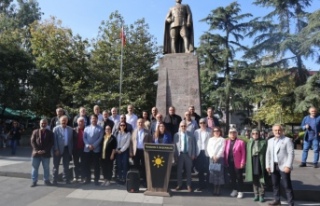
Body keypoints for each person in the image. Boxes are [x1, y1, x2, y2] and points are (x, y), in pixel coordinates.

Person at [266, 124, 294, 206]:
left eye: (279, 130)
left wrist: (288, 166)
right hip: (273, 166)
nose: (277, 132)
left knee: (287, 185)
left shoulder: (287, 140)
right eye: (275, 130)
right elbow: (268, 154)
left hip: (284, 166)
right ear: (273, 131)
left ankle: (290, 203)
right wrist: (267, 165)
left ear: (282, 131)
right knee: (275, 185)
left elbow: (291, 153)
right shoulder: (270, 141)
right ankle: (277, 200)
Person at [245, 129, 267, 202]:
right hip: (252, 161)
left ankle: (262, 195)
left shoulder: (264, 142)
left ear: (259, 134)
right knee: (254, 179)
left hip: (261, 161)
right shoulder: (249, 142)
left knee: (261, 178)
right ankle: (256, 194)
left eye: (256, 133)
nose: (255, 135)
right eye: (253, 133)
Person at [30, 119, 54, 187]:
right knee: (35, 168)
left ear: (47, 124)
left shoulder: (50, 133)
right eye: (42, 123)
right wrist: (37, 150)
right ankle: (34, 181)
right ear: (39, 124)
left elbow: (51, 143)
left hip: (46, 154)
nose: (43, 124)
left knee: (46, 168)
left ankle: (46, 180)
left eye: (45, 123)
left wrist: (45, 150)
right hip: (36, 153)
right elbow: (32, 142)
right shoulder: (35, 132)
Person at [174, 120, 196, 192]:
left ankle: (188, 185)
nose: (183, 127)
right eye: (182, 126)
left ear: (186, 127)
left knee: (189, 171)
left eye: (184, 126)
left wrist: (193, 154)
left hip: (188, 155)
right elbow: (174, 146)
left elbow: (193, 145)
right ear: (179, 127)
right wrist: (175, 156)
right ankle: (179, 184)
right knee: (179, 171)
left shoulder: (191, 134)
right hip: (180, 154)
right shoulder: (176, 135)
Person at [224, 128, 246, 199]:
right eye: (231, 133)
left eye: (234, 133)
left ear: (236, 133)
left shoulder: (241, 142)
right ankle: (234, 190)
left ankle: (240, 191)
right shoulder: (226, 142)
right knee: (232, 177)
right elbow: (225, 152)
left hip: (238, 162)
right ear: (229, 134)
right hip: (229, 162)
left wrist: (243, 162)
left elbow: (243, 153)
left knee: (239, 177)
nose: (232, 134)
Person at [130, 118, 152, 186]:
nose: (140, 124)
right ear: (137, 123)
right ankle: (137, 181)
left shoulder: (147, 132)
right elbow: (131, 142)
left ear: (143, 123)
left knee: (144, 166)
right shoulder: (134, 131)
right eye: (139, 122)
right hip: (136, 151)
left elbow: (150, 142)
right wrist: (131, 152)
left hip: (144, 151)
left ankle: (145, 181)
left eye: (141, 122)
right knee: (136, 166)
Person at [52, 115, 73, 185]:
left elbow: (71, 140)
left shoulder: (70, 129)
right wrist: (56, 149)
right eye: (62, 120)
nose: (64, 122)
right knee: (56, 165)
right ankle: (54, 179)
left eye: (65, 120)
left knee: (66, 165)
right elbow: (54, 140)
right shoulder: (56, 129)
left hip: (67, 149)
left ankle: (66, 179)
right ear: (60, 121)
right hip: (58, 149)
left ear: (67, 121)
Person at [83, 114, 103, 185]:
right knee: (87, 165)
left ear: (97, 120)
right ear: (90, 120)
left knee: (96, 165)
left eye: (95, 118)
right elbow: (84, 138)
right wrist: (88, 145)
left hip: (96, 149)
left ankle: (96, 179)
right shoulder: (86, 128)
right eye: (92, 118)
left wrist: (94, 145)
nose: (93, 120)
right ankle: (87, 178)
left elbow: (100, 138)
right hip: (87, 149)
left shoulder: (100, 128)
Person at [206, 126, 225, 196]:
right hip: (212, 158)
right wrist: (212, 156)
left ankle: (218, 188)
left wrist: (217, 156)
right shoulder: (210, 139)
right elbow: (208, 148)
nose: (216, 132)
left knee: (219, 174)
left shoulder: (222, 139)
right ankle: (214, 188)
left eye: (218, 131)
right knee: (213, 173)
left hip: (219, 158)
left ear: (220, 132)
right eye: (215, 131)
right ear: (213, 132)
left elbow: (222, 149)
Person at [194, 118, 211, 191]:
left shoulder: (210, 131)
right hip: (199, 152)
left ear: (206, 123)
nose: (202, 124)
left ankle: (208, 184)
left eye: (204, 123)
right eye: (201, 123)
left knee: (208, 169)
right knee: (200, 169)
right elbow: (194, 143)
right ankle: (201, 185)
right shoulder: (196, 132)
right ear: (199, 124)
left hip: (207, 152)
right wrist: (194, 153)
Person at [72, 117, 85, 182]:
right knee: (75, 164)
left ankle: (83, 177)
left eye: (82, 121)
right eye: (80, 121)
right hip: (75, 149)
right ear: (77, 122)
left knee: (83, 164)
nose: (81, 123)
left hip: (83, 149)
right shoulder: (74, 130)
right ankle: (76, 177)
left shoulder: (86, 129)